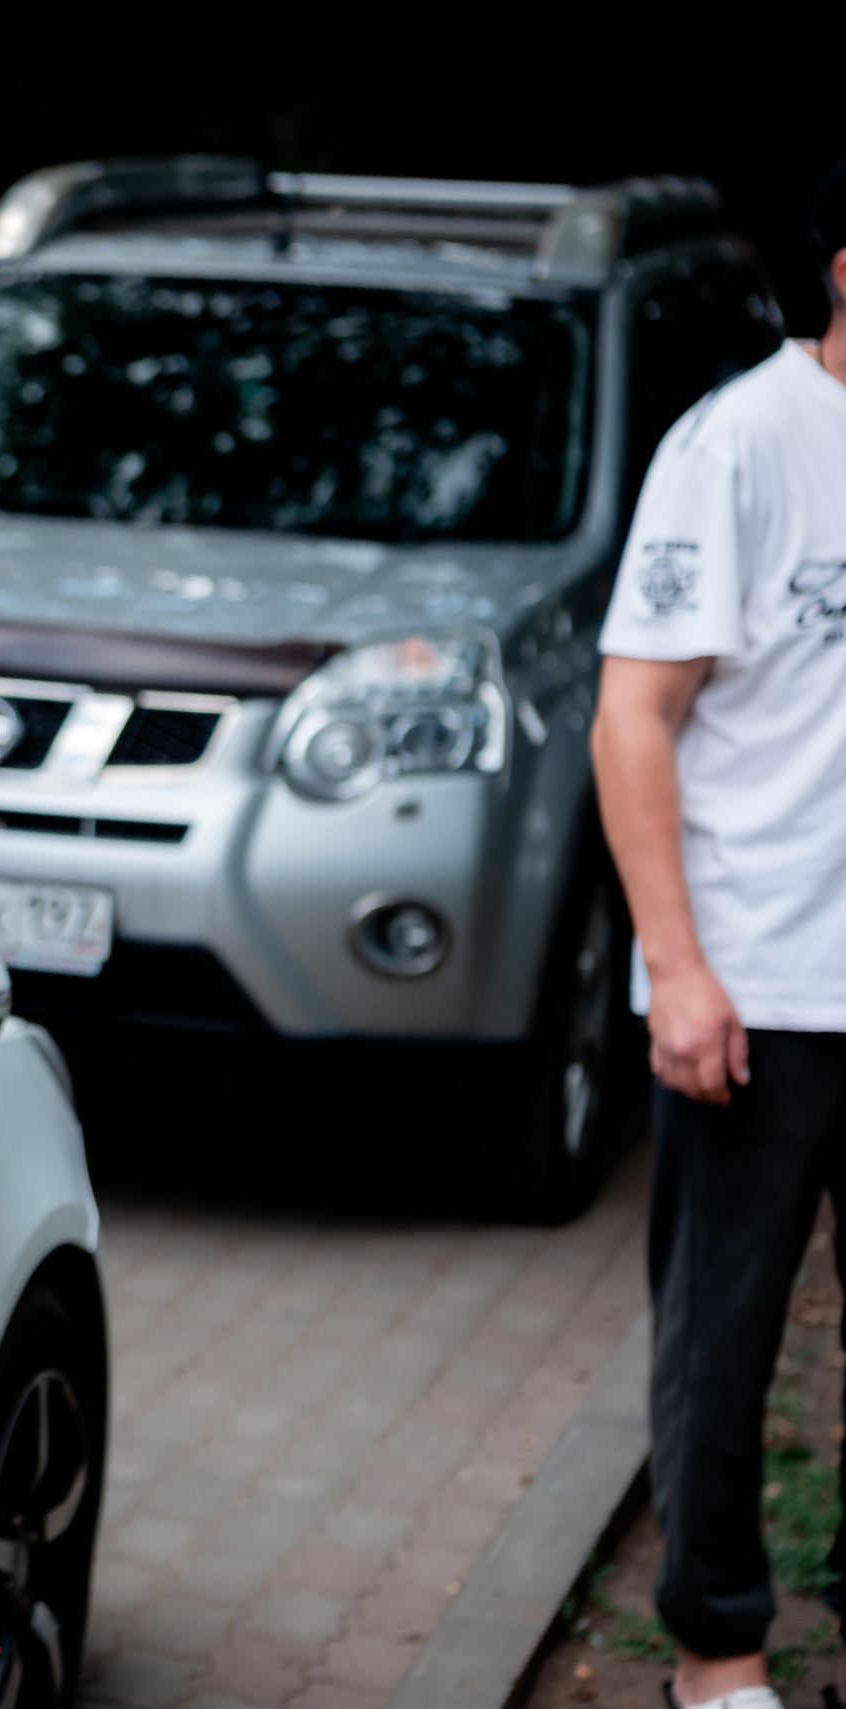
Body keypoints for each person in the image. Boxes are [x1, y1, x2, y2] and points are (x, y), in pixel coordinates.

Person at [589, 156, 846, 1709]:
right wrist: (678, 968)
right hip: (761, 980)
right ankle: (718, 1655)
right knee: (724, 1336)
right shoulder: (744, 441)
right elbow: (636, 719)